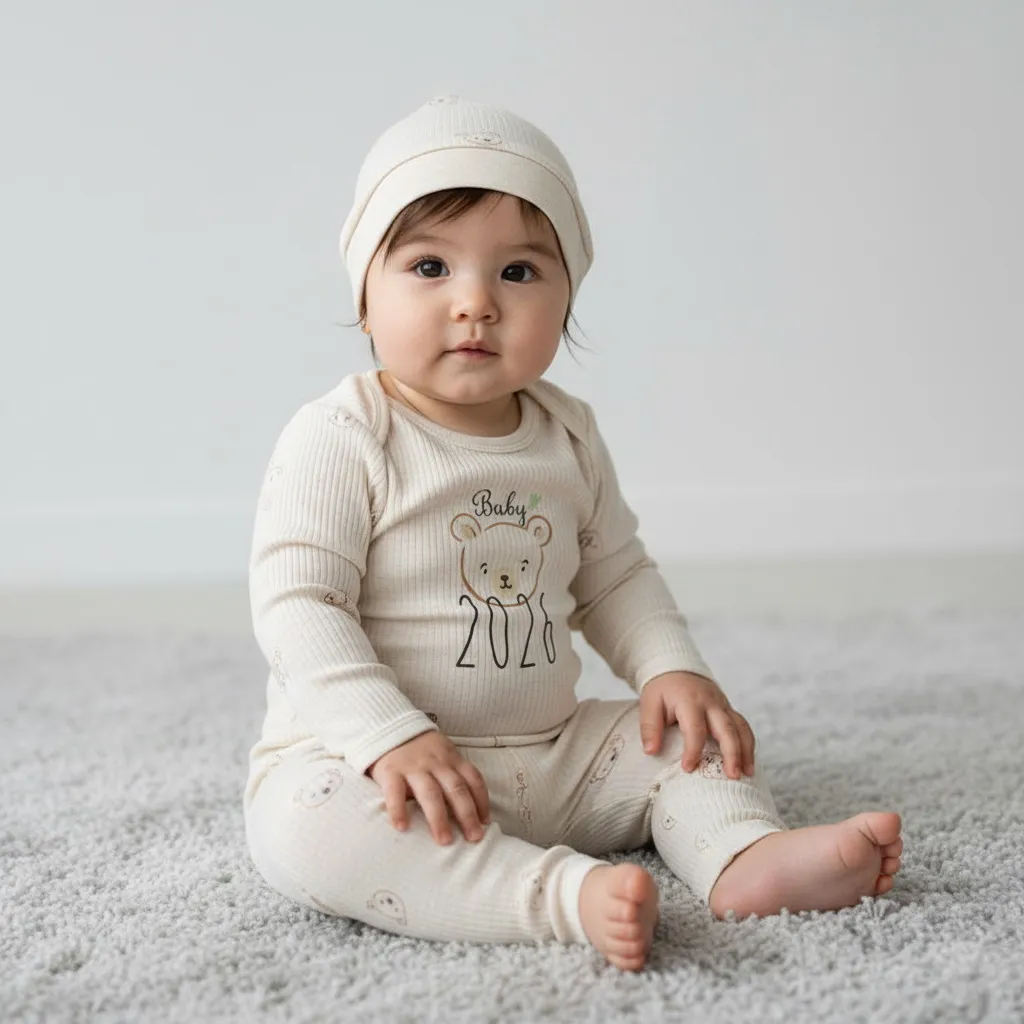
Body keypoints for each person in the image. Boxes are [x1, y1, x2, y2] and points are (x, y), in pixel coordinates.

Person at [242, 96, 903, 972]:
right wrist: (386, 734)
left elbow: (615, 576)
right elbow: (300, 604)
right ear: (365, 296)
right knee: (307, 826)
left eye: (518, 272)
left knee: (688, 741)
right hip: (374, 762)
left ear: (567, 297)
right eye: (430, 266)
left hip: (553, 758)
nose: (475, 303)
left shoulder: (568, 433)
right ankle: (560, 895)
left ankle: (743, 855)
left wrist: (670, 668)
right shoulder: (345, 434)